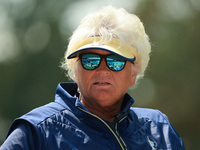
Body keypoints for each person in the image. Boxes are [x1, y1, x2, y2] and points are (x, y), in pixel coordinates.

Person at [0, 6, 185, 150]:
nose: (103, 69)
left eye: (115, 61)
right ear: (75, 70)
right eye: (90, 60)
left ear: (134, 74)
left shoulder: (159, 129)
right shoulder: (37, 132)